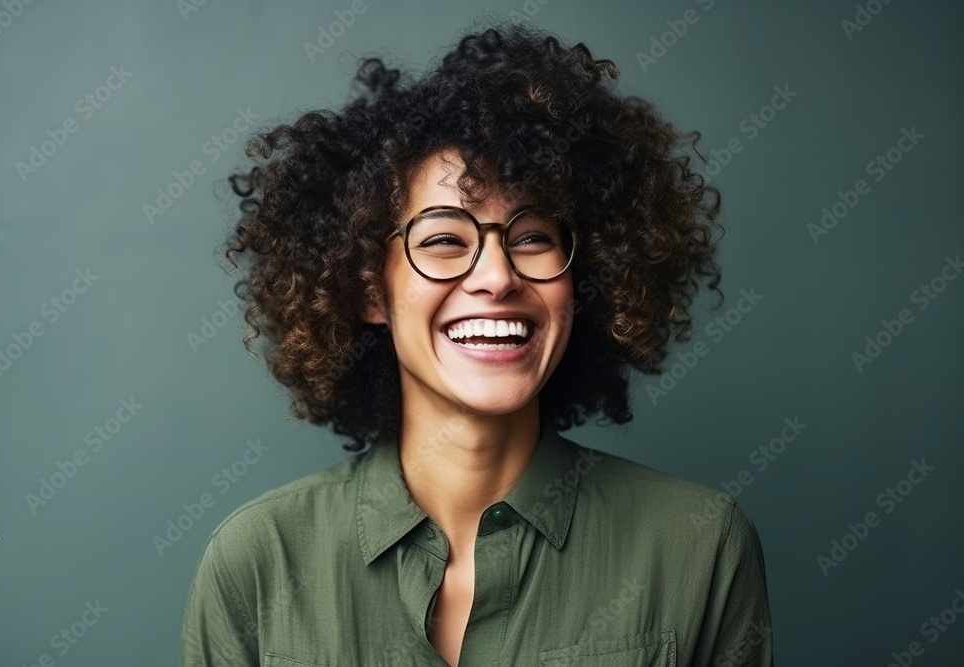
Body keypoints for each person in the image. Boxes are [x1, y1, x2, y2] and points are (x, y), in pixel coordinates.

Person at [181, 20, 773, 667]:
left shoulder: (697, 545)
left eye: (532, 238)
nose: (497, 276)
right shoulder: (257, 562)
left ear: (585, 279)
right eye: (442, 241)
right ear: (369, 291)